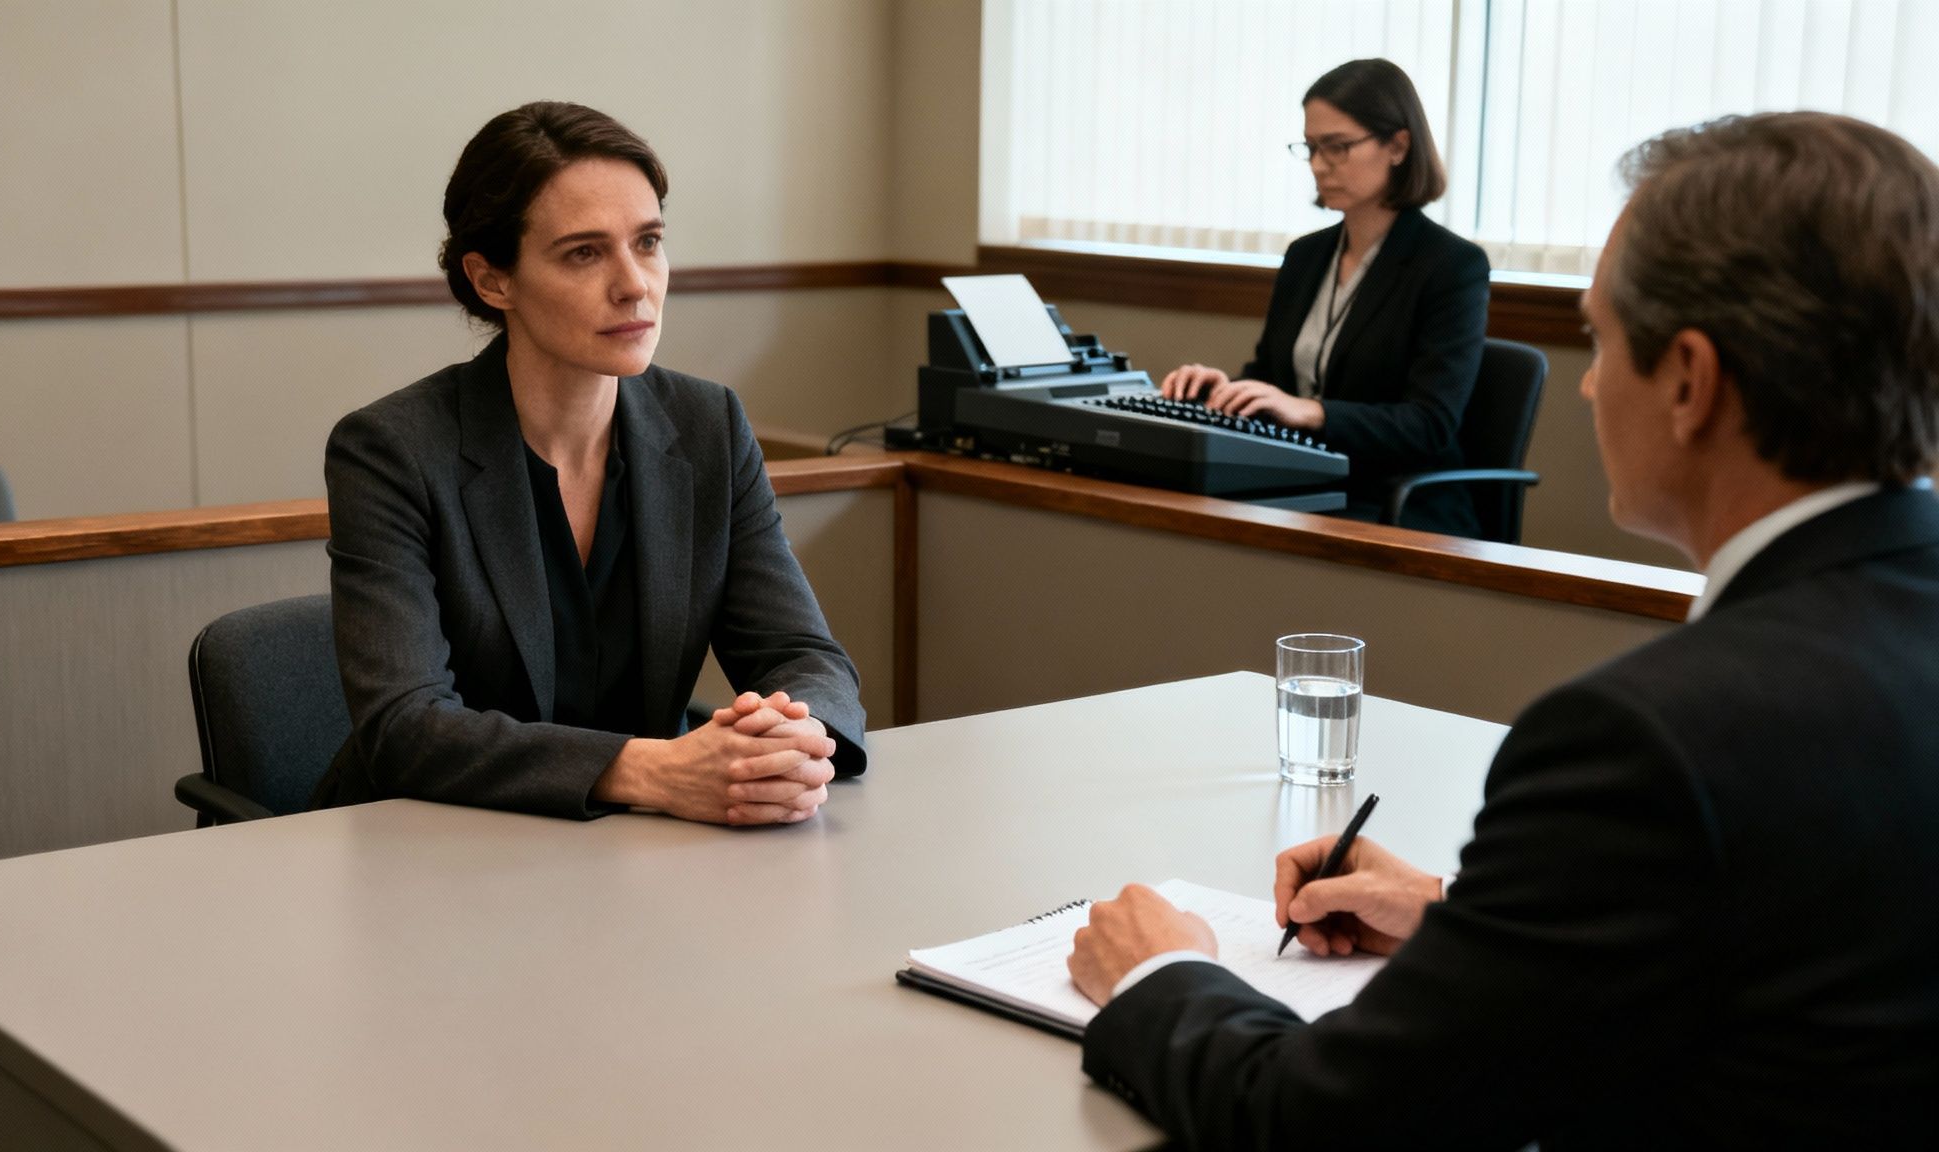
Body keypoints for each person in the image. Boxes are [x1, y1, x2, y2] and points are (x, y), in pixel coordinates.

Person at [1071, 111, 1939, 1148]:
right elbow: (1804, 954)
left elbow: (1323, 1122)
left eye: (1596, 339)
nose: (1581, 383)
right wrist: (1464, 925)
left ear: (1688, 381)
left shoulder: (1645, 740)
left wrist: (1160, 972)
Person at [310, 102, 866, 826]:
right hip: (430, 850)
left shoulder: (708, 427)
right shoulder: (392, 449)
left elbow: (805, 656)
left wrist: (790, 737)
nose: (635, 283)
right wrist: (650, 767)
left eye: (649, 241)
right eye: (584, 253)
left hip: (631, 852)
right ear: (492, 281)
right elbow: (404, 726)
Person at [1159, 59, 1489, 536]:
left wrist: (1313, 412)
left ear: (1398, 145)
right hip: (1299, 483)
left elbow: (1429, 424)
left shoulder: (1451, 265)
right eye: (1311, 148)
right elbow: (1271, 380)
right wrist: (1221, 391)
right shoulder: (1306, 257)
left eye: (1337, 147)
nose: (1318, 165)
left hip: (1396, 501)